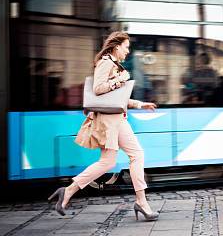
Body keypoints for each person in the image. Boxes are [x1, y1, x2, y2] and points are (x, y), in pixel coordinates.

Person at [49, 31, 159, 220]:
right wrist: (121, 79)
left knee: (111, 161)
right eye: (126, 47)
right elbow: (98, 89)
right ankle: (141, 202)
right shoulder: (105, 63)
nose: (128, 51)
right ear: (116, 46)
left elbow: (116, 98)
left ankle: (67, 191)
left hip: (115, 119)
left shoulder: (114, 65)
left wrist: (140, 104)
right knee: (134, 155)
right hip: (110, 121)